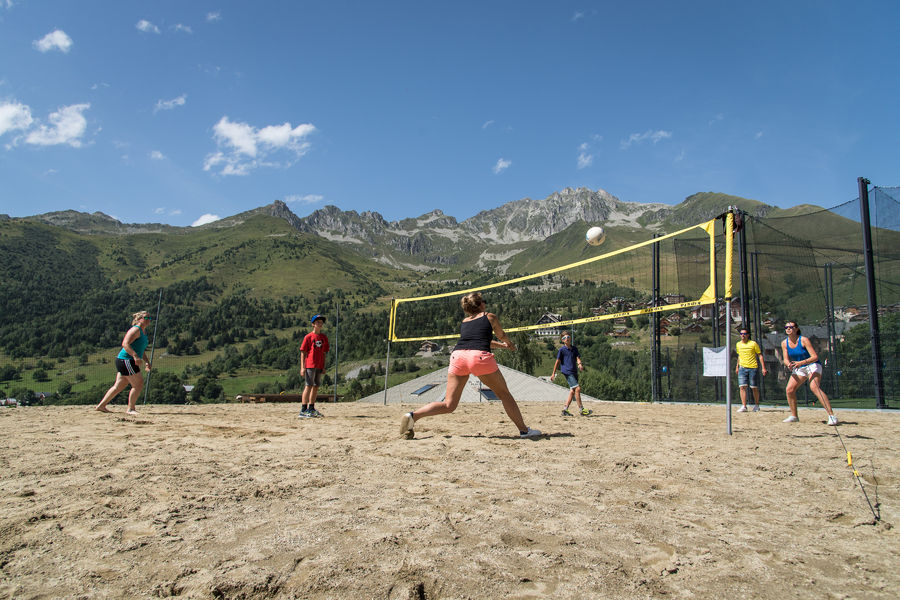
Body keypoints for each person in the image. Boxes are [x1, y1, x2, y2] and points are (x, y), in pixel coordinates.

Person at [399, 292, 541, 439]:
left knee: (449, 404)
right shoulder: (489, 316)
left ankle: (412, 416)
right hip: (478, 358)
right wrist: (509, 344)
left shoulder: (465, 321)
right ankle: (524, 430)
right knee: (504, 395)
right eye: (484, 301)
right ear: (480, 304)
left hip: (458, 357)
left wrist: (503, 347)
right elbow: (501, 335)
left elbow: (483, 341)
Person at [780, 321, 838, 425]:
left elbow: (814, 357)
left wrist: (801, 362)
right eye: (786, 327)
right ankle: (794, 416)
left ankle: (831, 416)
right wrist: (788, 364)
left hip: (812, 365)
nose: (788, 329)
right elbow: (785, 359)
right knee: (789, 390)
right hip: (799, 367)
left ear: (796, 329)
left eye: (791, 327)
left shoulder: (803, 340)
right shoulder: (784, 343)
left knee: (814, 387)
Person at [96, 311, 153, 415]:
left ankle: (101, 406)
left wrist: (147, 362)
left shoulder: (143, 332)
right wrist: (135, 356)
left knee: (119, 386)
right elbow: (125, 344)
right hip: (126, 360)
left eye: (150, 318)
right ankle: (131, 409)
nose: (149, 320)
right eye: (146, 318)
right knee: (138, 384)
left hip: (126, 361)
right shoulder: (135, 330)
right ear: (139, 319)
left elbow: (141, 349)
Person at [550, 331, 591, 416]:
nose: (567, 339)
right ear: (562, 340)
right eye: (564, 338)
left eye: (568, 337)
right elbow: (557, 362)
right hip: (567, 371)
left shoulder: (575, 349)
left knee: (572, 391)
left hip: (574, 371)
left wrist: (580, 364)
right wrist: (553, 373)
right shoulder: (561, 350)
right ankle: (581, 409)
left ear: (570, 338)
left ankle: (565, 410)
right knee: (578, 389)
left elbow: (578, 358)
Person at [299, 314, 329, 418]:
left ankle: (311, 408)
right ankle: (303, 409)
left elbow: (324, 352)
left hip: (319, 365)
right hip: (310, 365)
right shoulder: (308, 337)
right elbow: (303, 352)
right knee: (308, 385)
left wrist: (324, 366)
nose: (320, 324)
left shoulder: (323, 337)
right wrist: (302, 367)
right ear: (313, 324)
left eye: (321, 322)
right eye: (317, 322)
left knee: (316, 386)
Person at [734, 327, 767, 412]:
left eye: (744, 334)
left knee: (754, 387)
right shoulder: (738, 344)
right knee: (742, 387)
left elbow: (760, 355)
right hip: (742, 368)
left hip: (753, 367)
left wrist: (763, 367)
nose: (743, 335)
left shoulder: (753, 344)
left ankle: (756, 405)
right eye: (741, 334)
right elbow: (739, 356)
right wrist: (737, 366)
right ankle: (744, 406)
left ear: (748, 335)